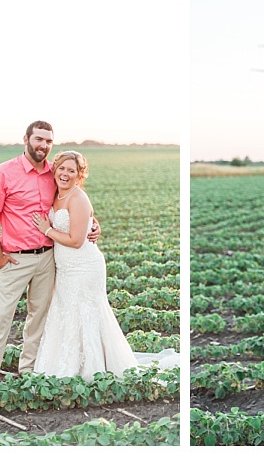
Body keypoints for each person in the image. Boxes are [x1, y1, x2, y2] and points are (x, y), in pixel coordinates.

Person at [30, 151, 178, 381]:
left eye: (72, 170)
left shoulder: (78, 197)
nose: (65, 174)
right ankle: (66, 364)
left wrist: (46, 230)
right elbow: (87, 222)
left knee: (86, 313)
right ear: (54, 169)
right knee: (66, 312)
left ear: (80, 175)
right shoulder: (57, 195)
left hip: (84, 266)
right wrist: (94, 224)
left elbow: (77, 241)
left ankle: (92, 368)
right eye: (62, 169)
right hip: (66, 267)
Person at [0, 121, 100, 385]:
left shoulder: (53, 174)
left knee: (39, 317)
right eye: (39, 139)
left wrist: (93, 223)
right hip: (15, 258)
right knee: (2, 317)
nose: (43, 145)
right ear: (26, 139)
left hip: (48, 257)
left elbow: (73, 200)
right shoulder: (3, 173)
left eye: (48, 141)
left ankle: (29, 370)